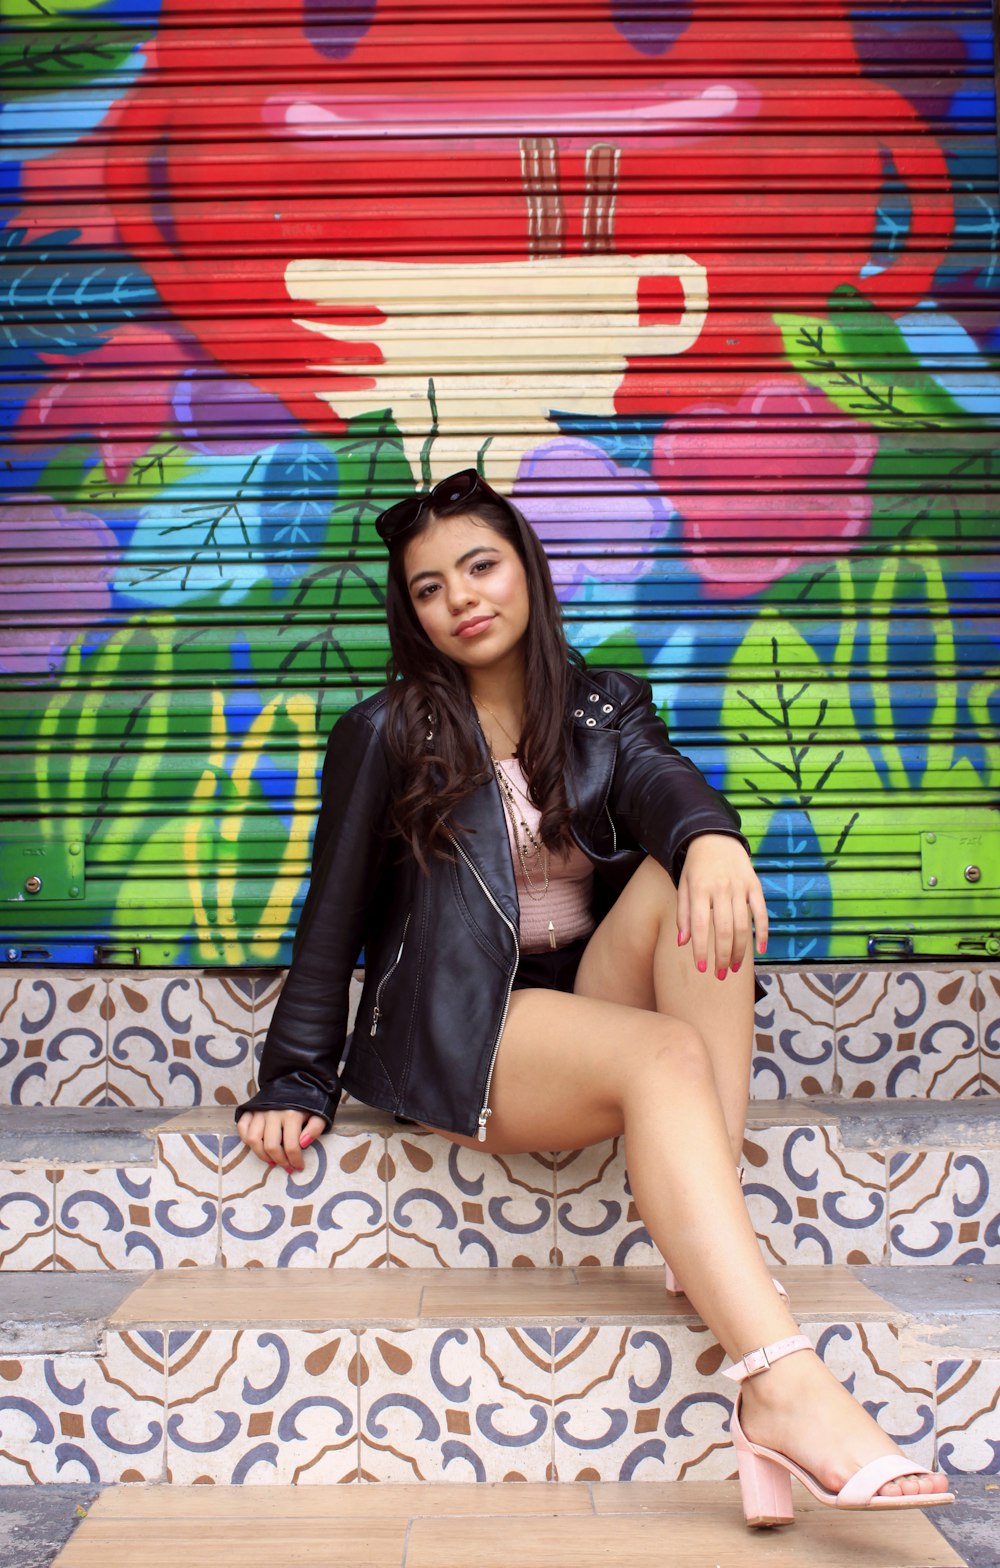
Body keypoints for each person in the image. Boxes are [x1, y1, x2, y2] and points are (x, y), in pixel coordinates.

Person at [236, 468, 952, 1525]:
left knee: (686, 876)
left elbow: (661, 779)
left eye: (479, 565)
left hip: (583, 995)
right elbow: (330, 911)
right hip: (468, 1023)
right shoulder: (386, 730)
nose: (460, 598)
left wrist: (709, 835)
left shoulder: (604, 702)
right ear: (413, 611)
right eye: (429, 587)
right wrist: (294, 1072)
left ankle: (700, 1237)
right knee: (662, 1051)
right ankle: (779, 1381)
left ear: (525, 568)